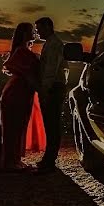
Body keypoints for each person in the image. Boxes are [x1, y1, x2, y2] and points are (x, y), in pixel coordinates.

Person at [0, 23, 41, 171]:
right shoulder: (21, 51)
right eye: (31, 31)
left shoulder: (22, 50)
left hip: (21, 92)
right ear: (24, 33)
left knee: (18, 126)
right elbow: (28, 75)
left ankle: (14, 160)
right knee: (14, 127)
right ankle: (9, 163)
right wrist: (41, 88)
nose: (34, 33)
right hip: (17, 93)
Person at [33, 16, 66, 173]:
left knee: (52, 123)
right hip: (53, 87)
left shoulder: (53, 44)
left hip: (53, 88)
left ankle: (50, 160)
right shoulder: (51, 43)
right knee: (51, 123)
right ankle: (49, 158)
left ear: (48, 27)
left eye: (39, 29)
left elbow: (50, 70)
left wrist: (44, 89)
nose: (37, 32)